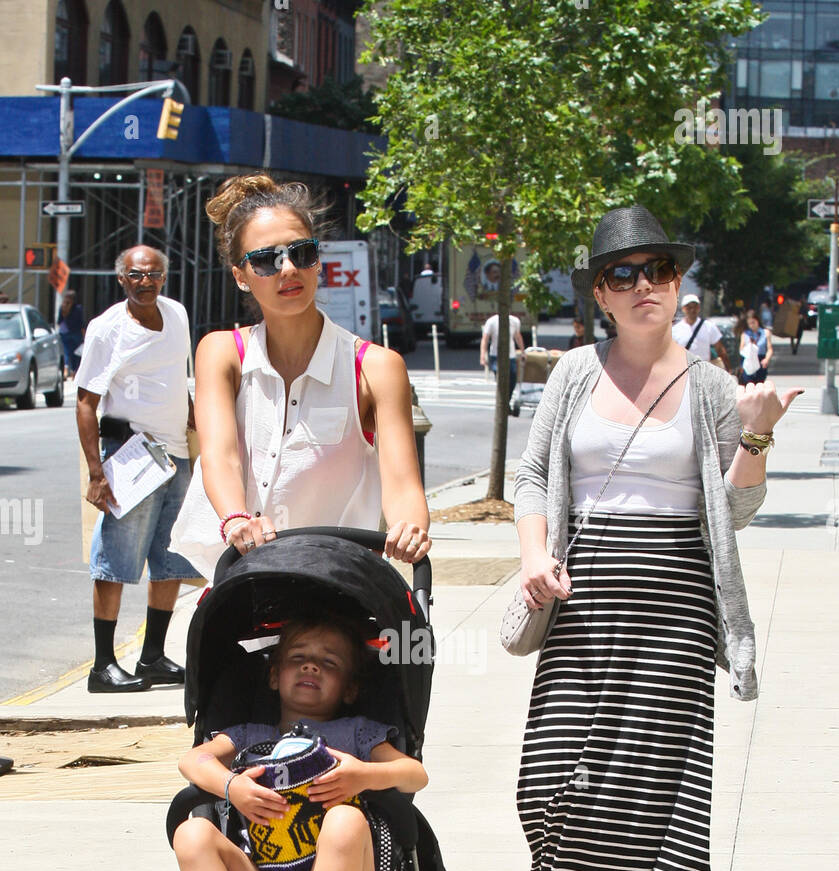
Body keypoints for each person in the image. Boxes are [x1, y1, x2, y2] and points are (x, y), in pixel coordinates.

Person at [514, 205, 801, 871]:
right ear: (601, 293)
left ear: (681, 287)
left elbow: (738, 506)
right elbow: (533, 476)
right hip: (583, 594)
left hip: (676, 600)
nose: (645, 287)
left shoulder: (710, 385)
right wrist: (535, 554)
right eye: (624, 275)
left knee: (655, 796)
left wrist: (759, 435)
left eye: (660, 272)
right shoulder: (572, 374)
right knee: (547, 786)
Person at [169, 174, 430, 581]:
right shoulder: (222, 353)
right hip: (243, 580)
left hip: (339, 586)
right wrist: (237, 519)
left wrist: (410, 527)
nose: (288, 268)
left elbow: (402, 484)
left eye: (302, 252)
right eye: (267, 260)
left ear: (318, 261)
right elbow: (219, 455)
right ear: (241, 275)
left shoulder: (376, 367)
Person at [173, 613, 428, 871]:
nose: (312, 665)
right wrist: (232, 785)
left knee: (345, 819)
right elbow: (193, 761)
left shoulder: (357, 733)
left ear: (349, 689)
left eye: (330, 662)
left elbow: (415, 775)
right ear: (274, 676)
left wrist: (363, 775)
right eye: (298, 658)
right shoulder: (248, 736)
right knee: (190, 833)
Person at [76, 246, 199, 693]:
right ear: (122, 279)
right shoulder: (107, 329)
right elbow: (86, 402)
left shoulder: (178, 314)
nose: (146, 282)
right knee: (116, 558)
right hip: (130, 453)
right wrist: (96, 472)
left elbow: (174, 375)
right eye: (136, 275)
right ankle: (102, 666)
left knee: (170, 560)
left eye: (154, 274)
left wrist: (189, 411)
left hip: (175, 453)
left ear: (164, 278)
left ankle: (152, 657)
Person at [672, 293, 732, 371]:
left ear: (699, 308)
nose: (692, 310)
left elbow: (720, 349)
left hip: (703, 371)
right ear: (683, 309)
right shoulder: (675, 330)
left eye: (695, 306)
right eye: (689, 307)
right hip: (684, 371)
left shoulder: (709, 326)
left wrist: (728, 368)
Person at [480, 309, 525, 397]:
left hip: (511, 355)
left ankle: (507, 399)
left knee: (513, 377)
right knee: (500, 378)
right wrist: (482, 356)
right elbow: (485, 339)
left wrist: (523, 351)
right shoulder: (491, 322)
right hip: (495, 355)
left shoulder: (514, 321)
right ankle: (503, 400)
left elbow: (517, 336)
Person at [740, 308, 773, 384]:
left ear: (757, 321)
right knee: (748, 383)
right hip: (748, 360)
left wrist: (766, 359)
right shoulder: (745, 334)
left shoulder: (765, 333)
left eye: (753, 322)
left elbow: (769, 349)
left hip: (760, 359)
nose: (751, 325)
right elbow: (741, 349)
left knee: (759, 383)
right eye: (749, 323)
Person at [57, 289, 84, 378]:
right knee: (76, 354)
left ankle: (65, 369)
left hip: (65, 333)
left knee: (66, 352)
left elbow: (59, 321)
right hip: (76, 333)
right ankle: (74, 372)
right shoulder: (78, 308)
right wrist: (84, 334)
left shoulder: (62, 308)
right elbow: (81, 322)